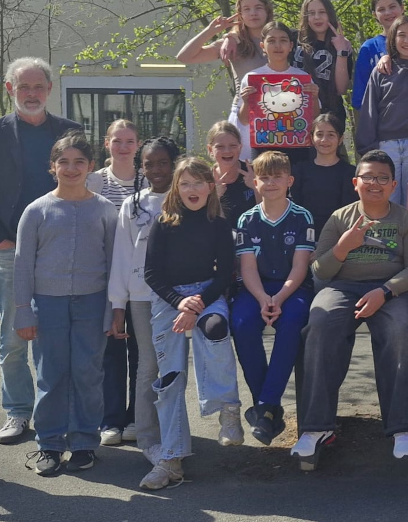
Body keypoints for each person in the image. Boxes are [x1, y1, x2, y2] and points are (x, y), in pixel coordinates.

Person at [0, 56, 81, 445]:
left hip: (59, 250)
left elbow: (82, 185)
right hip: (10, 250)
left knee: (55, 338)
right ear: (9, 90)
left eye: (38, 87)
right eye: (23, 87)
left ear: (49, 89)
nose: (31, 94)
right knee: (14, 337)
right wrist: (1, 240)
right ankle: (18, 411)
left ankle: (57, 411)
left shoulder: (69, 131)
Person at [291, 150, 408, 470]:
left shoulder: (405, 220)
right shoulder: (340, 218)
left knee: (403, 331)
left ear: (393, 185)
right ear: (356, 183)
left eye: (382, 178)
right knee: (320, 323)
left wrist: (384, 291)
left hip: (392, 290)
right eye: (368, 177)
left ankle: (402, 427)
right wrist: (344, 246)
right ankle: (316, 427)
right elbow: (320, 270)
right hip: (343, 287)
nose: (374, 183)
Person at [14, 132, 117, 476]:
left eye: (79, 162)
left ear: (91, 166)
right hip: (48, 305)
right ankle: (50, 444)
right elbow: (22, 265)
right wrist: (23, 310)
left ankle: (85, 442)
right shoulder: (36, 211)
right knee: (51, 373)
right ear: (52, 167)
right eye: (64, 162)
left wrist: (113, 309)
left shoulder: (104, 210)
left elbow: (114, 263)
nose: (71, 169)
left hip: (92, 303)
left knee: (88, 372)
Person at [140, 157, 243, 490]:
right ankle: (171, 458)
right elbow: (152, 274)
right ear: (176, 188)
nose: (192, 189)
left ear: (210, 187)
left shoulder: (218, 224)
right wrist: (179, 303)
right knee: (170, 377)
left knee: (215, 330)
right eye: (185, 183)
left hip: (207, 295)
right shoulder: (163, 223)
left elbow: (224, 274)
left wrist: (196, 304)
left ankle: (228, 409)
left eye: (198, 182)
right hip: (169, 299)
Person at [231, 151, 316, 447]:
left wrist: (278, 299)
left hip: (292, 288)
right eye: (264, 177)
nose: (270, 183)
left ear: (289, 181)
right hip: (256, 287)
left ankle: (265, 405)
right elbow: (247, 268)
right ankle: (268, 410)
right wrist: (262, 298)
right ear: (255, 182)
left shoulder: (302, 216)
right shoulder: (247, 219)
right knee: (242, 323)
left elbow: (300, 267)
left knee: (292, 322)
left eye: (277, 177)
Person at [108, 136, 181, 467]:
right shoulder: (132, 204)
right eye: (149, 164)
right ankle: (147, 437)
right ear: (141, 168)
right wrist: (118, 304)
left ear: (174, 164)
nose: (157, 169)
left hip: (178, 298)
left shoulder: (185, 199)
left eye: (163, 162)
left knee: (174, 368)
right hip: (140, 296)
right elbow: (122, 257)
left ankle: (174, 434)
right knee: (147, 365)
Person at [86, 119, 141, 448]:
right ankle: (110, 419)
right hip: (105, 279)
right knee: (110, 351)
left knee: (140, 352)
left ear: (138, 145)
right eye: (117, 140)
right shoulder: (94, 181)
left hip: (142, 281)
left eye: (129, 141)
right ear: (107, 143)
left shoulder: (147, 178)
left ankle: (136, 417)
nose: (123, 146)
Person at [176, 0, 273, 161]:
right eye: (247, 9)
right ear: (240, 14)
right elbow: (184, 57)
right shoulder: (234, 43)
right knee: (243, 165)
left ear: (267, 10)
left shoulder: (281, 39)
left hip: (277, 112)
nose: (253, 13)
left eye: (258, 8)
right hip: (244, 113)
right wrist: (212, 30)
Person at [356, 15, 408, 205]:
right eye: (402, 35)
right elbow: (369, 110)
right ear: (393, 38)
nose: (407, 41)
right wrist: (368, 148)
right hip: (387, 145)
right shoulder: (382, 70)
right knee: (387, 200)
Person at [233, 20, 320, 165]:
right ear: (263, 46)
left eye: (283, 40)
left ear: (291, 46)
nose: (278, 45)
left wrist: (315, 98)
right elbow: (244, 120)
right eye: (271, 41)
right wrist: (247, 102)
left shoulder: (303, 78)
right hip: (263, 149)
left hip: (297, 148)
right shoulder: (251, 78)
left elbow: (315, 118)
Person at [290, 113, 358, 235]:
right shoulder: (299, 170)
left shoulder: (350, 172)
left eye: (331, 135)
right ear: (312, 138)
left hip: (337, 235)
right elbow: (295, 206)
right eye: (319, 134)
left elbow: (349, 212)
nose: (324, 140)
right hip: (303, 234)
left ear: (340, 139)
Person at [296, 0, 353, 123]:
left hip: (330, 117)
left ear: (330, 14)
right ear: (306, 17)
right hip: (295, 112)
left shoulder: (342, 45)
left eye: (322, 12)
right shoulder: (293, 39)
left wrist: (341, 51)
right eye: (311, 13)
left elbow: (341, 89)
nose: (317, 17)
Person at [353, 0, 405, 111]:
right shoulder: (369, 48)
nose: (388, 12)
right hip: (381, 118)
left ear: (402, 8)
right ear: (374, 15)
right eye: (381, 9)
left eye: (392, 7)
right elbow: (360, 97)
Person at [207, 121, 257, 223]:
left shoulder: (255, 173)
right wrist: (214, 197)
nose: (227, 151)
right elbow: (206, 221)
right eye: (220, 147)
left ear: (240, 147)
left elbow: (269, 214)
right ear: (210, 149)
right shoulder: (205, 179)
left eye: (233, 145)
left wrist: (256, 188)